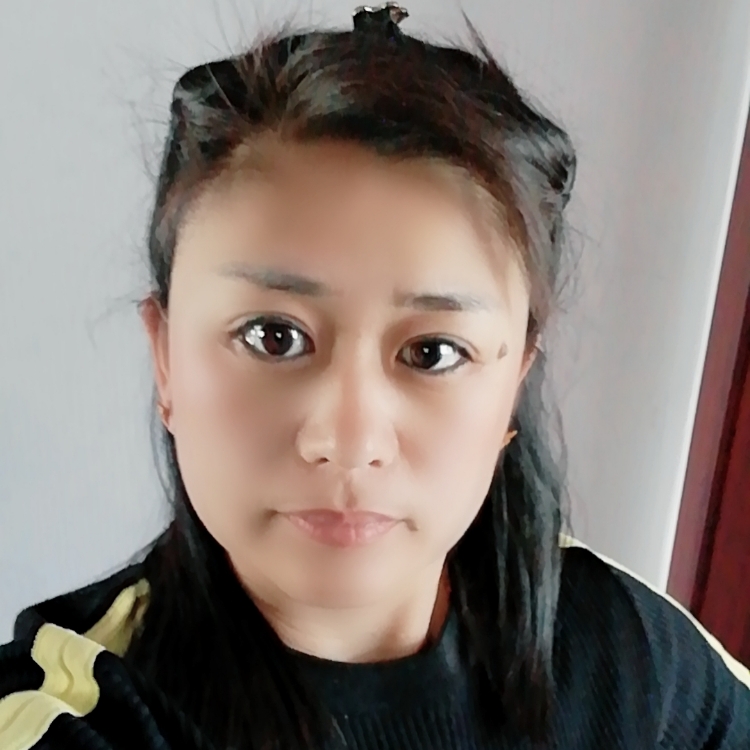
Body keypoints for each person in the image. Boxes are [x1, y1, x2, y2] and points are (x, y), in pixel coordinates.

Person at [1, 4, 748, 749]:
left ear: (514, 385)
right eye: (273, 337)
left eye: (433, 353)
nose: (349, 441)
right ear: (166, 358)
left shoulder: (620, 648)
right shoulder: (81, 716)